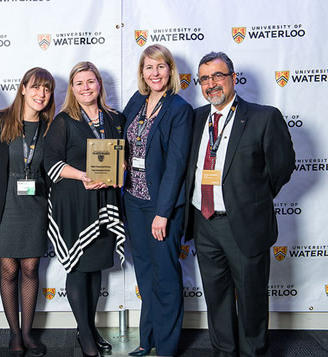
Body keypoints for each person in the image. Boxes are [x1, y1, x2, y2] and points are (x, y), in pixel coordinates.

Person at [184, 52, 295, 357]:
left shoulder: (263, 117)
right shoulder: (194, 119)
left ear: (233, 78)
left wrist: (251, 199)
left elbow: (282, 167)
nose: (212, 84)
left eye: (218, 76)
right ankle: (224, 352)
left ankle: (253, 353)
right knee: (216, 297)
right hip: (204, 223)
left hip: (244, 223)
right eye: (205, 78)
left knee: (251, 298)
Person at [45, 61, 125, 357]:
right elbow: (50, 163)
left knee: (95, 267)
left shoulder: (115, 118)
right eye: (79, 83)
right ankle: (86, 337)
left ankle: (87, 329)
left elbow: (124, 151)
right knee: (79, 267)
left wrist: (123, 164)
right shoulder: (64, 120)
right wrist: (82, 176)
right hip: (75, 202)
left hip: (105, 203)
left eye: (90, 81)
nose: (85, 87)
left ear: (99, 84)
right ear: (72, 88)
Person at [122, 44, 193, 357]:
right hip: (133, 203)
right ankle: (146, 339)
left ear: (170, 70)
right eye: (149, 67)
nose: (155, 73)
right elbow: (118, 143)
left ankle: (166, 347)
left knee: (164, 277)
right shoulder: (136, 102)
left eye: (161, 67)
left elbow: (176, 166)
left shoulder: (179, 109)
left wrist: (163, 213)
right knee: (145, 275)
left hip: (160, 207)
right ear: (142, 72)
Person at [0, 67, 55, 357]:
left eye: (47, 89)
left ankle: (28, 333)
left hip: (35, 205)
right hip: (5, 205)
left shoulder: (51, 126)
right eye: (36, 87)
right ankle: (14, 333)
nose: (41, 94)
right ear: (23, 88)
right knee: (9, 269)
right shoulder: (0, 121)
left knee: (30, 268)